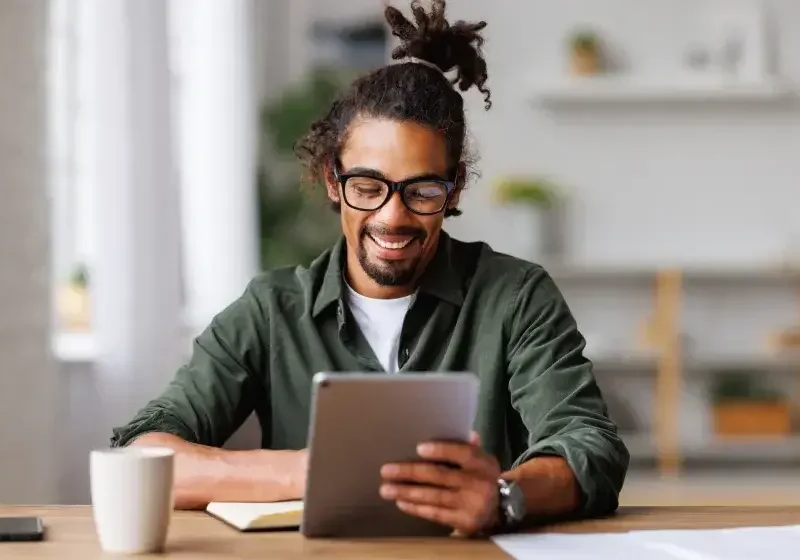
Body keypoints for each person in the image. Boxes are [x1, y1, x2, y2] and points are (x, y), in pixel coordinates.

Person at [111, 0, 629, 537]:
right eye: (367, 187)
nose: (392, 217)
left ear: (455, 191)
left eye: (422, 190)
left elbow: (590, 447)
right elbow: (139, 454)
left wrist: (504, 494)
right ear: (333, 182)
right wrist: (307, 469)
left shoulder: (516, 297)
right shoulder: (270, 311)